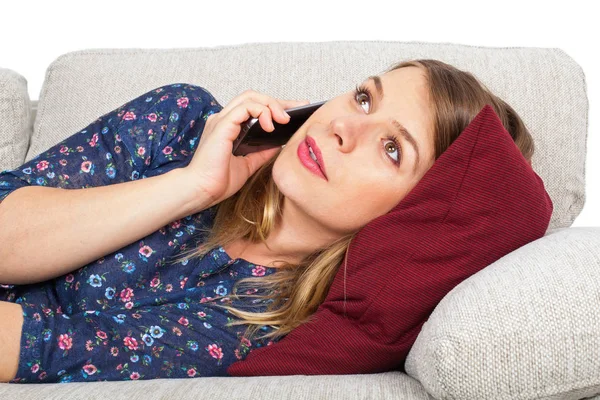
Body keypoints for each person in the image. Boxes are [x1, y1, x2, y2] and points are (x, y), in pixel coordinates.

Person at [0, 59, 535, 383]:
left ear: (418, 213)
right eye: (365, 97)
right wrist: (190, 186)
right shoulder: (183, 122)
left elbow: (37, 348)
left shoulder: (264, 325)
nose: (343, 125)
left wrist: (200, 188)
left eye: (393, 148)